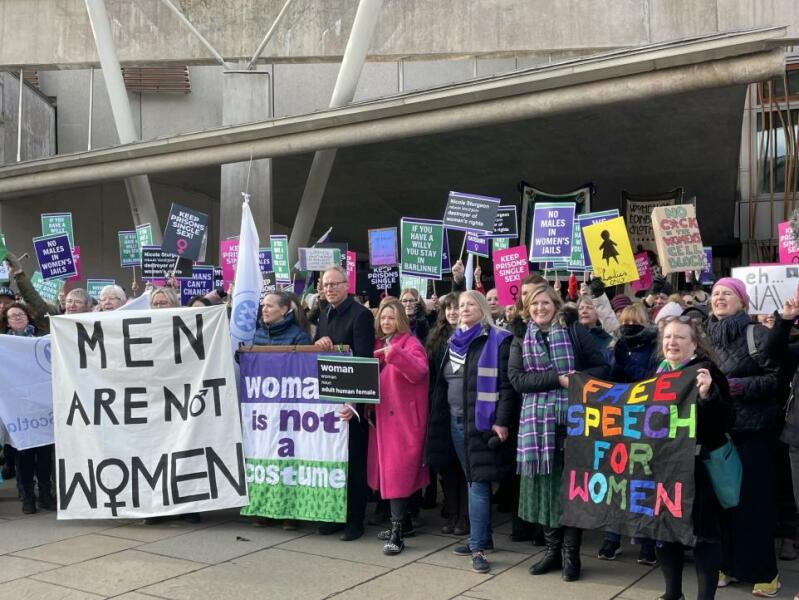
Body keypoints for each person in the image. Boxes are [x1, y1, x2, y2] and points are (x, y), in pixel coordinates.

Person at [508, 284, 609, 582]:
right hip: (536, 427)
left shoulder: (575, 332)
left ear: (555, 304)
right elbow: (518, 380)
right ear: (527, 309)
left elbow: (602, 368)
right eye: (534, 304)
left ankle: (570, 554)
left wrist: (576, 380)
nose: (540, 308)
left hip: (572, 421)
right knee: (546, 489)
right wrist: (558, 380)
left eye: (545, 302)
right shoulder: (520, 338)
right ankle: (552, 550)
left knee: (570, 489)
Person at [425, 290, 517, 573]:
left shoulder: (498, 339)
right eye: (460, 305)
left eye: (470, 304)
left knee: (477, 483)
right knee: (472, 479)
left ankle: (478, 547)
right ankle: (483, 537)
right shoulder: (453, 341)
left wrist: (501, 422)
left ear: (482, 308)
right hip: (454, 422)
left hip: (481, 423)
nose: (464, 309)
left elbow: (506, 387)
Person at [706, 278, 781, 596]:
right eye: (715, 293)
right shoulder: (705, 337)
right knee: (723, 503)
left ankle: (765, 572)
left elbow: (777, 378)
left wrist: (738, 387)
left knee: (754, 504)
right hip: (719, 432)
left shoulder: (756, 334)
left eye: (727, 293)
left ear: (742, 302)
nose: (720, 298)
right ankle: (728, 566)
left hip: (754, 432)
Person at [654, 316, 733, 600]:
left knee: (704, 536)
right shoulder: (658, 374)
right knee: (665, 533)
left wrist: (707, 396)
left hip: (699, 468)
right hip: (664, 467)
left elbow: (725, 422)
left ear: (695, 343)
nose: (672, 342)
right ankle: (672, 592)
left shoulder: (707, 373)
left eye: (680, 337)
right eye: (668, 337)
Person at [315, 264, 376, 541]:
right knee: (333, 460)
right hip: (329, 399)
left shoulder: (360, 315)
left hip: (351, 403)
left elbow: (365, 359)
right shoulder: (324, 313)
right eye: (325, 285)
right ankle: (335, 516)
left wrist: (354, 403)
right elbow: (317, 348)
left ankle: (355, 520)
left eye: (334, 284)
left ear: (346, 284)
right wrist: (320, 342)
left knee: (353, 463)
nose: (329, 289)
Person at [368, 299, 429, 555]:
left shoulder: (410, 343)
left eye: (391, 318)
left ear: (401, 319)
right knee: (391, 475)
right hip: (385, 421)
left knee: (398, 475)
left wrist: (394, 355)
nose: (386, 322)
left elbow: (419, 372)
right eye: (383, 318)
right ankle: (403, 525)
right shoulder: (379, 343)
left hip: (403, 423)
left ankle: (397, 534)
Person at [599, 302, 659, 564]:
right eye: (625, 322)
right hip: (617, 420)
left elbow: (648, 380)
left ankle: (646, 542)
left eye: (634, 322)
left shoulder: (655, 349)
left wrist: (625, 361)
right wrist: (616, 359)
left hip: (643, 421)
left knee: (642, 482)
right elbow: (607, 380)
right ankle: (612, 538)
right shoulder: (615, 345)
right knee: (616, 481)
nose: (629, 326)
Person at [0, 302, 53, 514]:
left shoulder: (41, 338)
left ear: (28, 316)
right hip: (18, 408)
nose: (17, 318)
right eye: (12, 316)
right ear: (7, 321)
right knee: (24, 453)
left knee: (44, 452)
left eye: (20, 314)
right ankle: (28, 497)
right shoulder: (4, 343)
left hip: (41, 406)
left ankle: (46, 494)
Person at [425, 292, 468, 535]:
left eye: (456, 307)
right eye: (448, 308)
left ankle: (464, 516)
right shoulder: (435, 337)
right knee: (446, 465)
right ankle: (451, 511)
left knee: (464, 467)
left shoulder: (471, 336)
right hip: (441, 408)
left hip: (464, 410)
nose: (452, 312)